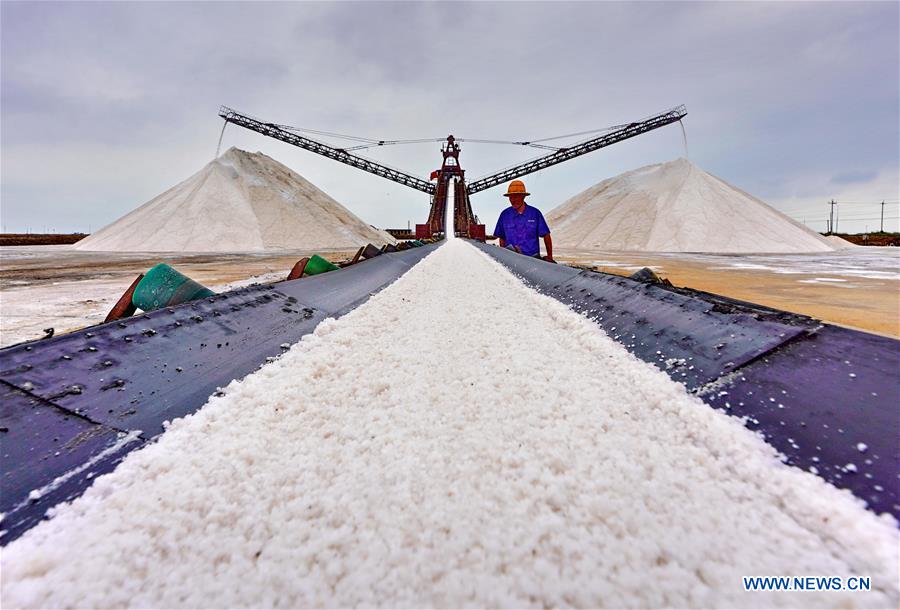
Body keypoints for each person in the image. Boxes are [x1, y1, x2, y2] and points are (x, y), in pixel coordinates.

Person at [493, 180, 554, 262]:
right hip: (511, 260)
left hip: (533, 260)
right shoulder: (504, 215)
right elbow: (502, 238)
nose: (513, 200)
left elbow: (546, 235)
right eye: (510, 197)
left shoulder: (535, 213)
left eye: (516, 197)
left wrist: (550, 256)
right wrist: (503, 258)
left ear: (523, 196)